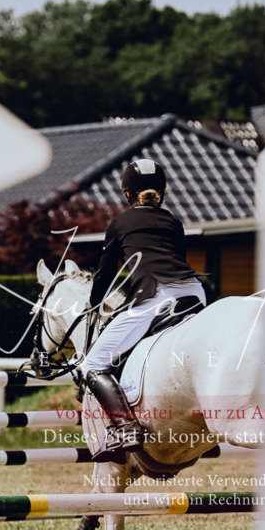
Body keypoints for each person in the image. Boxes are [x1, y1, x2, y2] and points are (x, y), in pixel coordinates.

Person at [80, 158, 206, 458]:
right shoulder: (173, 221)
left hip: (153, 296)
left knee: (92, 364)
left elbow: (106, 273)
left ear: (127, 195)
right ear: (161, 192)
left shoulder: (120, 223)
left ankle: (125, 426)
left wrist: (94, 302)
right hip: (194, 292)